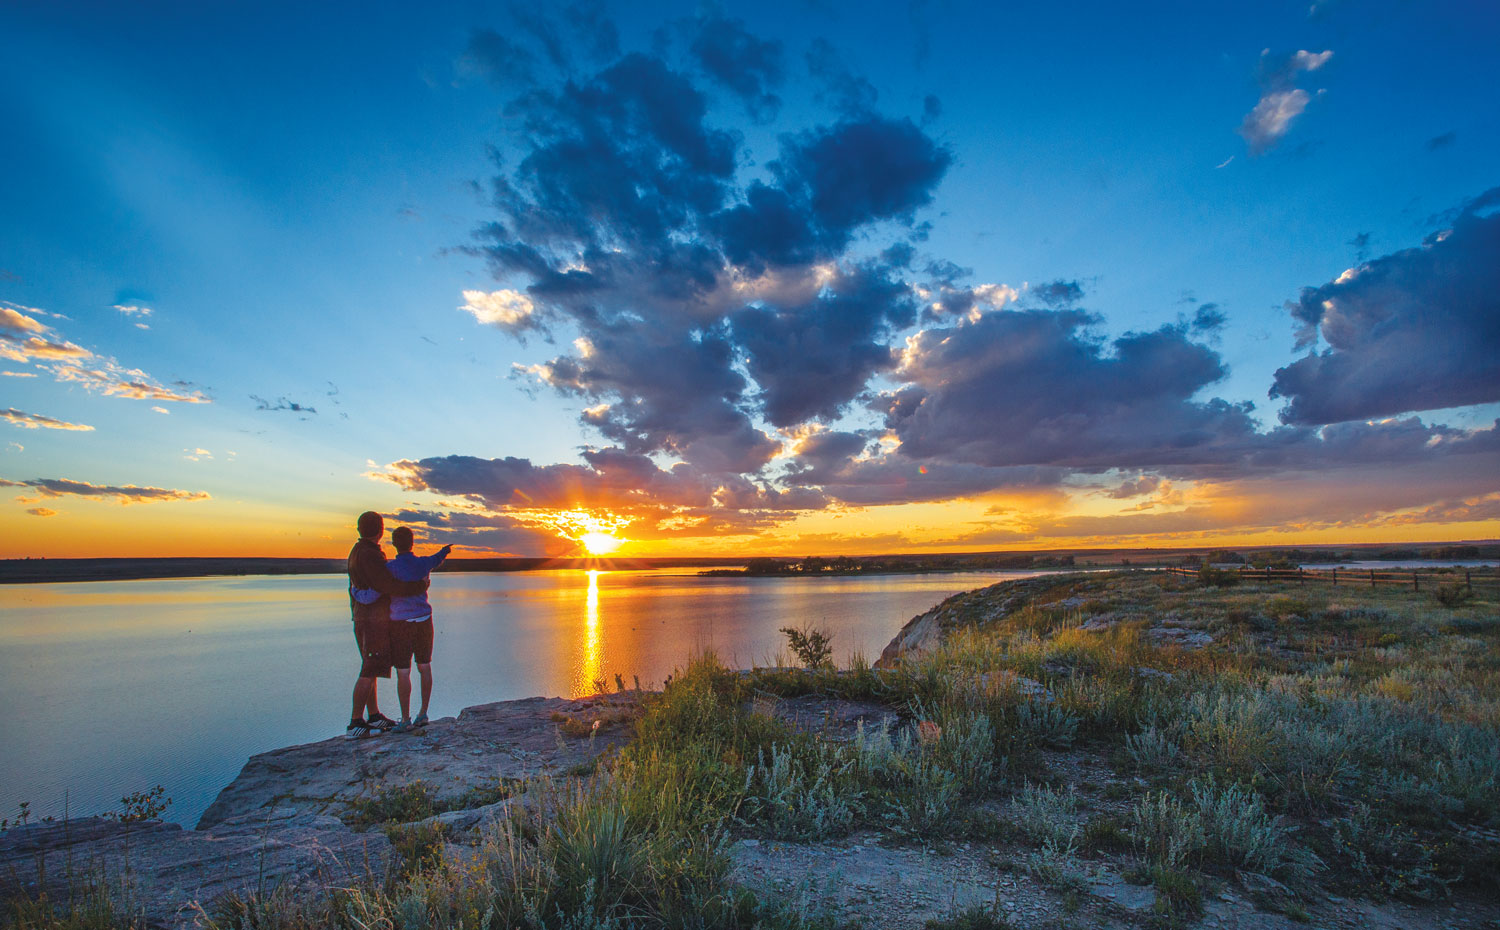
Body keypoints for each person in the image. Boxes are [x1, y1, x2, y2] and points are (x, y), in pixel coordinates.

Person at [346, 511, 429, 739]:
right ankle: (355, 723)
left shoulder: (357, 552)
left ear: (359, 529)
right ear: (380, 530)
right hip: (372, 619)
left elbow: (359, 586)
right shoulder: (370, 555)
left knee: (371, 666)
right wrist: (419, 587)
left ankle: (373, 716)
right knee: (369, 668)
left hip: (363, 616)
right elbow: (388, 585)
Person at [386, 526, 452, 731]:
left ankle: (405, 719)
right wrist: (445, 550)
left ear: (394, 544)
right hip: (423, 619)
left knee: (403, 672)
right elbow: (437, 558)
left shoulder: (390, 568)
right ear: (412, 542)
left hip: (400, 623)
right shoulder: (422, 563)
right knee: (424, 666)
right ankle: (423, 714)